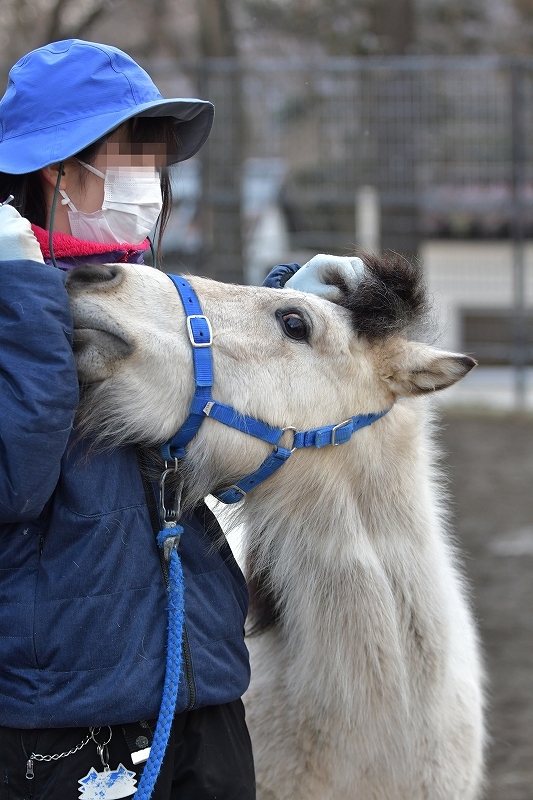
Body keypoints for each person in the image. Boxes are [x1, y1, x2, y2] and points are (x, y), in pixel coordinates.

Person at [0, 38, 358, 800]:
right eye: (126, 158)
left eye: (152, 162)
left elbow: (216, 417)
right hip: (63, 714)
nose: (149, 183)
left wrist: (288, 310)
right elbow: (14, 481)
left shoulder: (144, 299)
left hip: (198, 688)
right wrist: (25, 300)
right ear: (53, 172)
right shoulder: (16, 306)